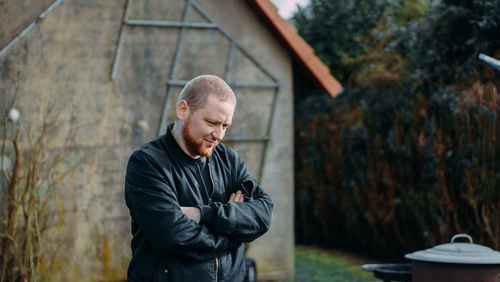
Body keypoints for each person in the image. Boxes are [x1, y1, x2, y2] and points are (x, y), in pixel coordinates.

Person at [124, 74, 274, 281]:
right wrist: (233, 234)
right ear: (183, 110)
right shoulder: (147, 163)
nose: (219, 135)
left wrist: (205, 215)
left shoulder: (229, 159)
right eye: (212, 123)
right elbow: (174, 236)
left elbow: (263, 215)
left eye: (225, 126)